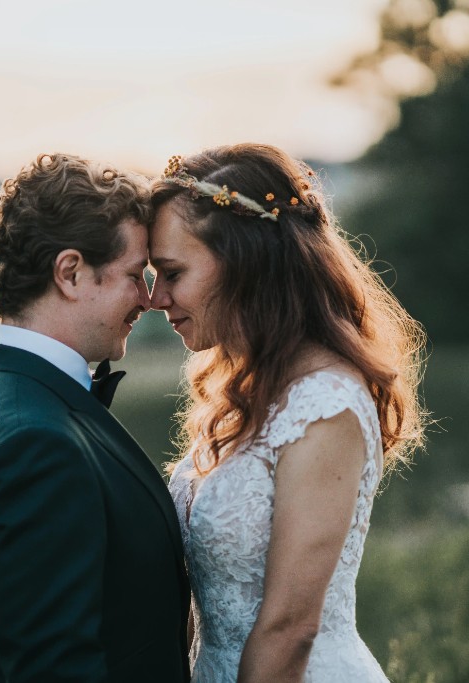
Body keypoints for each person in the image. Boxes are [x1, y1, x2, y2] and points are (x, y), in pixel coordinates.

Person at [148, 144, 427, 682]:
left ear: (244, 263)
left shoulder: (326, 405)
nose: (156, 297)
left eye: (172, 272)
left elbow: (290, 627)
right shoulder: (244, 392)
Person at [0, 153, 190, 683]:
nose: (148, 299)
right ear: (71, 272)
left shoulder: (0, 395)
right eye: (133, 275)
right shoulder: (34, 443)